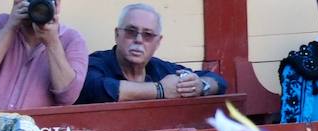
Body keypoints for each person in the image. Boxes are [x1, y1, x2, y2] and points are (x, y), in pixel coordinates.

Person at [78, 3, 226, 105]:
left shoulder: (159, 68)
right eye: (131, 31)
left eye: (148, 35)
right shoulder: (96, 62)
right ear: (117, 34)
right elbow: (95, 88)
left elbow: (218, 81)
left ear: (158, 42)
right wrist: (160, 90)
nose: (138, 40)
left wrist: (201, 86)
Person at [0, 0, 88, 109]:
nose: (35, 4)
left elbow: (68, 97)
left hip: (35, 130)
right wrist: (10, 27)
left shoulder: (72, 40)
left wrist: (52, 43)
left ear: (57, 5)